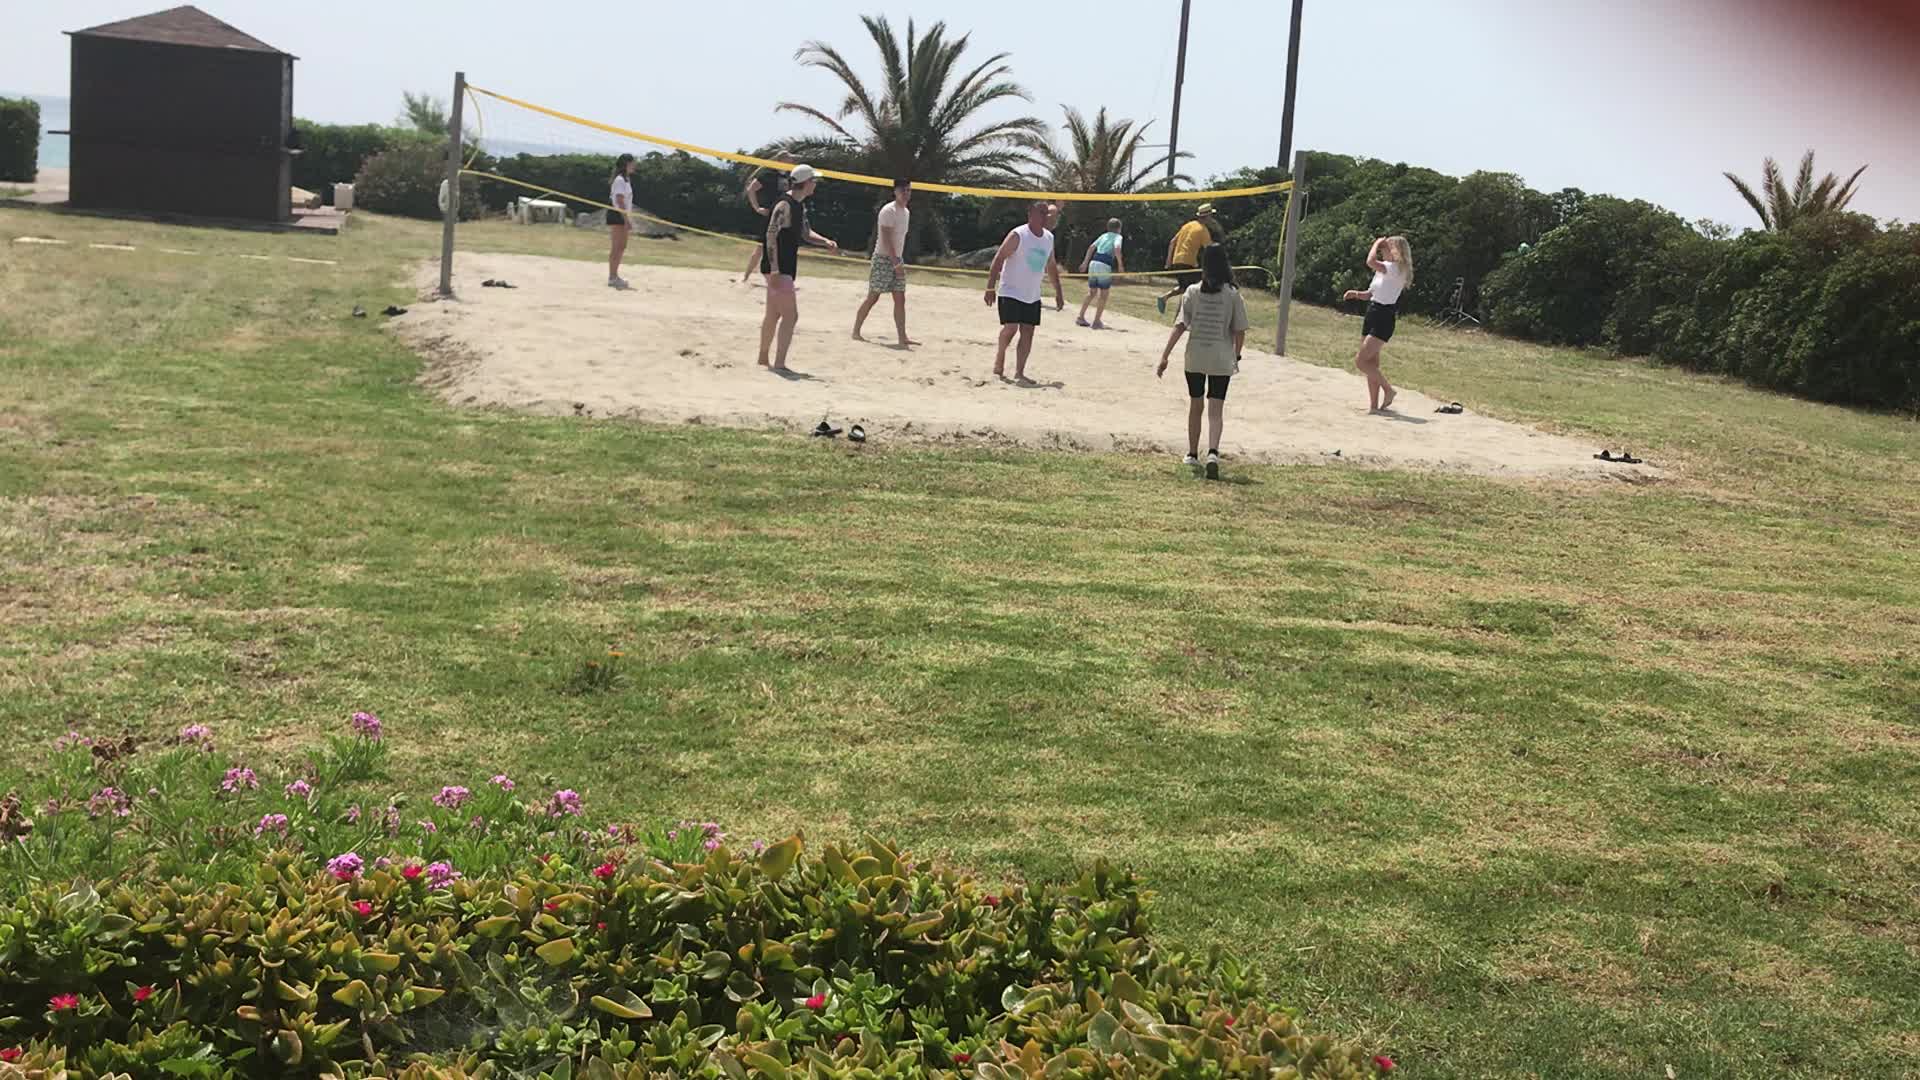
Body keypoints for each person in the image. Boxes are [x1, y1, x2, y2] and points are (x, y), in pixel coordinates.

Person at [1157, 244, 1248, 480]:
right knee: (1216, 409)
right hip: (1221, 358)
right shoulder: (1233, 294)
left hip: (1195, 356)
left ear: (1203, 265)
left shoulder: (1192, 291)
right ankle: (1213, 453)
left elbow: (1179, 326)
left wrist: (1165, 355)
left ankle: (1192, 453)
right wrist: (1236, 355)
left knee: (1195, 405)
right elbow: (1239, 330)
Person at [757, 164, 840, 373]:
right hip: (779, 267)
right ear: (806, 183)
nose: (816, 184)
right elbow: (770, 235)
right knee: (791, 316)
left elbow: (805, 233)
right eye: (814, 181)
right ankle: (779, 363)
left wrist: (825, 241)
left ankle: (763, 358)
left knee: (773, 314)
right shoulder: (784, 204)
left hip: (782, 266)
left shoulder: (798, 205)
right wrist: (774, 269)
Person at [983, 201, 1065, 384]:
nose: (1045, 216)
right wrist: (990, 287)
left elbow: (1051, 266)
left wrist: (1059, 292)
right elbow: (999, 258)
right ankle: (1000, 357)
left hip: (1032, 294)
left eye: (1047, 213)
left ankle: (1019, 372)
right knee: (1011, 328)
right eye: (1041, 212)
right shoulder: (1018, 235)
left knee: (1028, 332)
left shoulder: (1049, 238)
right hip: (1010, 290)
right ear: (1030, 214)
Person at [1342, 235, 1415, 412]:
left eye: (1387, 247)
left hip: (1384, 316)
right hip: (1372, 312)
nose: (1383, 250)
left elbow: (1370, 261)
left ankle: (1388, 390)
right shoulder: (1384, 269)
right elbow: (1371, 294)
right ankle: (1373, 406)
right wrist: (1356, 294)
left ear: (1397, 251)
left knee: (1361, 361)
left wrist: (1376, 243)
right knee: (1371, 364)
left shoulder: (1396, 268)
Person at [852, 179, 918, 347]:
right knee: (873, 297)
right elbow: (886, 239)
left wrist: (898, 261)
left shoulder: (906, 212)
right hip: (883, 259)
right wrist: (895, 263)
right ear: (895, 191)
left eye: (909, 190)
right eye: (903, 190)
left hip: (897, 258)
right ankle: (856, 331)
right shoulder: (888, 210)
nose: (906, 194)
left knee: (900, 298)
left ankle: (902, 337)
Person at [740, 151, 798, 283]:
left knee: (781, 246)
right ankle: (746, 277)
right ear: (782, 160)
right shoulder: (768, 174)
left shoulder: (788, 175)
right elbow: (751, 189)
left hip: (784, 215)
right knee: (761, 247)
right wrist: (757, 208)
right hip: (770, 214)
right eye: (790, 159)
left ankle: (778, 277)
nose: (792, 161)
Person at [1157, 204, 1219, 314]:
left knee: (1185, 288)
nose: (1212, 219)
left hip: (1177, 260)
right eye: (1211, 216)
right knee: (1194, 289)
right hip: (1187, 262)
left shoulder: (1187, 225)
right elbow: (1210, 250)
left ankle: (1164, 298)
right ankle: (1181, 316)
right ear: (1207, 216)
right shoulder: (1203, 230)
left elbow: (1172, 242)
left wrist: (1168, 261)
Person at [1075, 218, 1125, 328]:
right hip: (1104, 264)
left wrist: (1085, 263)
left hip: (1093, 263)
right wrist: (1120, 265)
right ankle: (1097, 321)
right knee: (1104, 294)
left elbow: (1091, 247)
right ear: (1119, 229)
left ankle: (1080, 317)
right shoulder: (1118, 237)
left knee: (1092, 292)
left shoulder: (1103, 235)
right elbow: (1117, 248)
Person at [608, 153, 636, 289]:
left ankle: (615, 276)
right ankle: (612, 277)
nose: (634, 165)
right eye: (632, 163)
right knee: (617, 247)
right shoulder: (619, 180)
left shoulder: (626, 180)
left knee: (622, 246)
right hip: (617, 214)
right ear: (626, 164)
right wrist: (626, 219)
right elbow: (619, 200)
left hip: (622, 214)